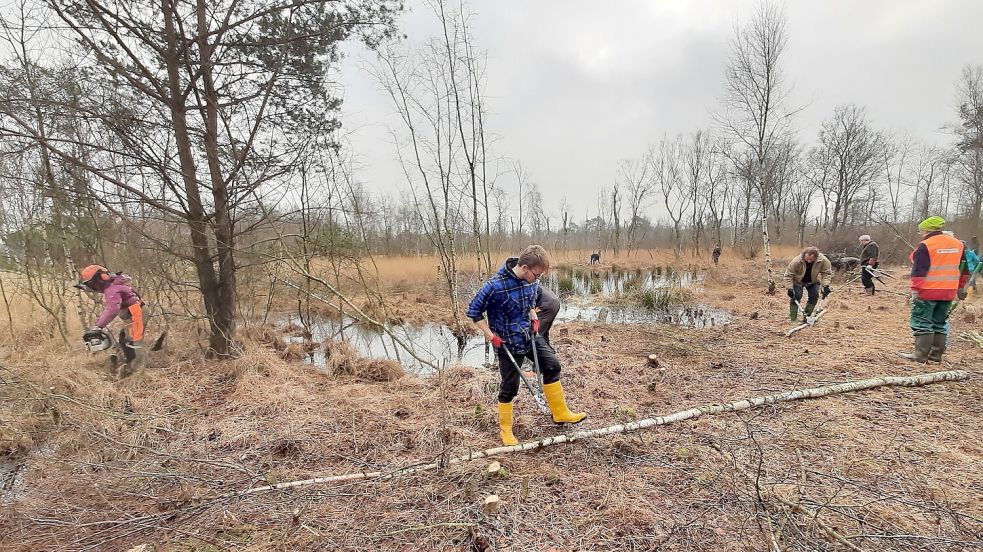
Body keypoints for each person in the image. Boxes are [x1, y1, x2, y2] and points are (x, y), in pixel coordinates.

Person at [467, 245, 586, 445]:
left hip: (528, 335)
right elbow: (474, 312)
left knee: (552, 366)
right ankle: (506, 430)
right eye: (537, 275)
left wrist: (533, 316)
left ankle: (560, 413)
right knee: (509, 387)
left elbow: (530, 300)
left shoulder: (530, 282)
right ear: (524, 268)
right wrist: (490, 336)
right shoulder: (494, 286)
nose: (538, 279)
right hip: (507, 342)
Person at [899, 216, 970, 363]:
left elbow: (919, 270)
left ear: (926, 230)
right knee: (940, 322)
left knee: (922, 321)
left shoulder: (926, 244)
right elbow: (964, 270)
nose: (920, 233)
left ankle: (920, 356)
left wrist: (914, 290)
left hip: (928, 290)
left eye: (921, 230)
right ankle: (935, 356)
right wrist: (960, 287)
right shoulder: (958, 244)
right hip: (949, 291)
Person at [77, 265, 145, 361]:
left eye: (93, 284)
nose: (93, 287)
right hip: (134, 312)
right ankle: (127, 361)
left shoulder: (112, 289)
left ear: (99, 280)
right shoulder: (115, 283)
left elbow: (112, 309)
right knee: (124, 338)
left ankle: (137, 368)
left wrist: (99, 326)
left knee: (133, 342)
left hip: (135, 313)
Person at [782, 246, 833, 324]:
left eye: (811, 260)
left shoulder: (823, 260)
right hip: (798, 280)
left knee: (814, 296)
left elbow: (826, 273)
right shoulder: (796, 261)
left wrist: (826, 286)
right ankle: (793, 319)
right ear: (804, 255)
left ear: (816, 257)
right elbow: (788, 275)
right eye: (807, 259)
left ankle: (807, 317)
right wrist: (789, 288)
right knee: (796, 296)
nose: (809, 261)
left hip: (813, 280)